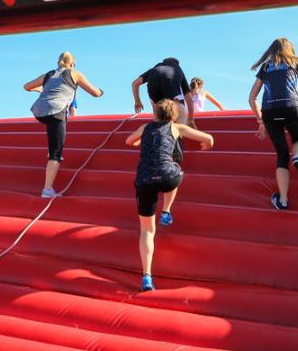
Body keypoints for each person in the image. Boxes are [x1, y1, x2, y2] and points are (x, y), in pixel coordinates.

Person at [125, 99, 214, 292]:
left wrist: (141, 139)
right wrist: (207, 145)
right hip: (168, 178)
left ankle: (147, 276)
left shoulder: (144, 127)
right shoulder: (176, 128)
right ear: (173, 116)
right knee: (175, 171)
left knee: (147, 231)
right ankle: (166, 211)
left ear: (155, 114)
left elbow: (128, 141)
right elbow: (208, 138)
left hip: (144, 181)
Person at [248, 38, 298, 210]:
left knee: (281, 154)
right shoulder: (295, 62)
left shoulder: (265, 67)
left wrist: (261, 120)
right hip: (291, 107)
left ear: (272, 50)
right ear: (290, 49)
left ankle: (283, 200)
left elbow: (252, 98)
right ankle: (297, 158)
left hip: (270, 112)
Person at [24, 52, 103, 198]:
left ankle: (52, 151)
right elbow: (95, 93)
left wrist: (40, 90)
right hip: (56, 111)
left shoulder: (49, 74)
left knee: (52, 129)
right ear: (72, 64)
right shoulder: (75, 73)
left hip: (39, 111)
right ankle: (47, 189)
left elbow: (27, 86)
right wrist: (101, 92)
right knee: (56, 153)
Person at [132, 57, 196, 128]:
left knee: (159, 113)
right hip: (173, 102)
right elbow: (188, 95)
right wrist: (190, 119)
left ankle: (158, 124)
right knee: (181, 117)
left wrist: (137, 102)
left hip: (157, 104)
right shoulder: (177, 69)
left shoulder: (154, 69)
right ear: (177, 64)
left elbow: (135, 83)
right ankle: (178, 132)